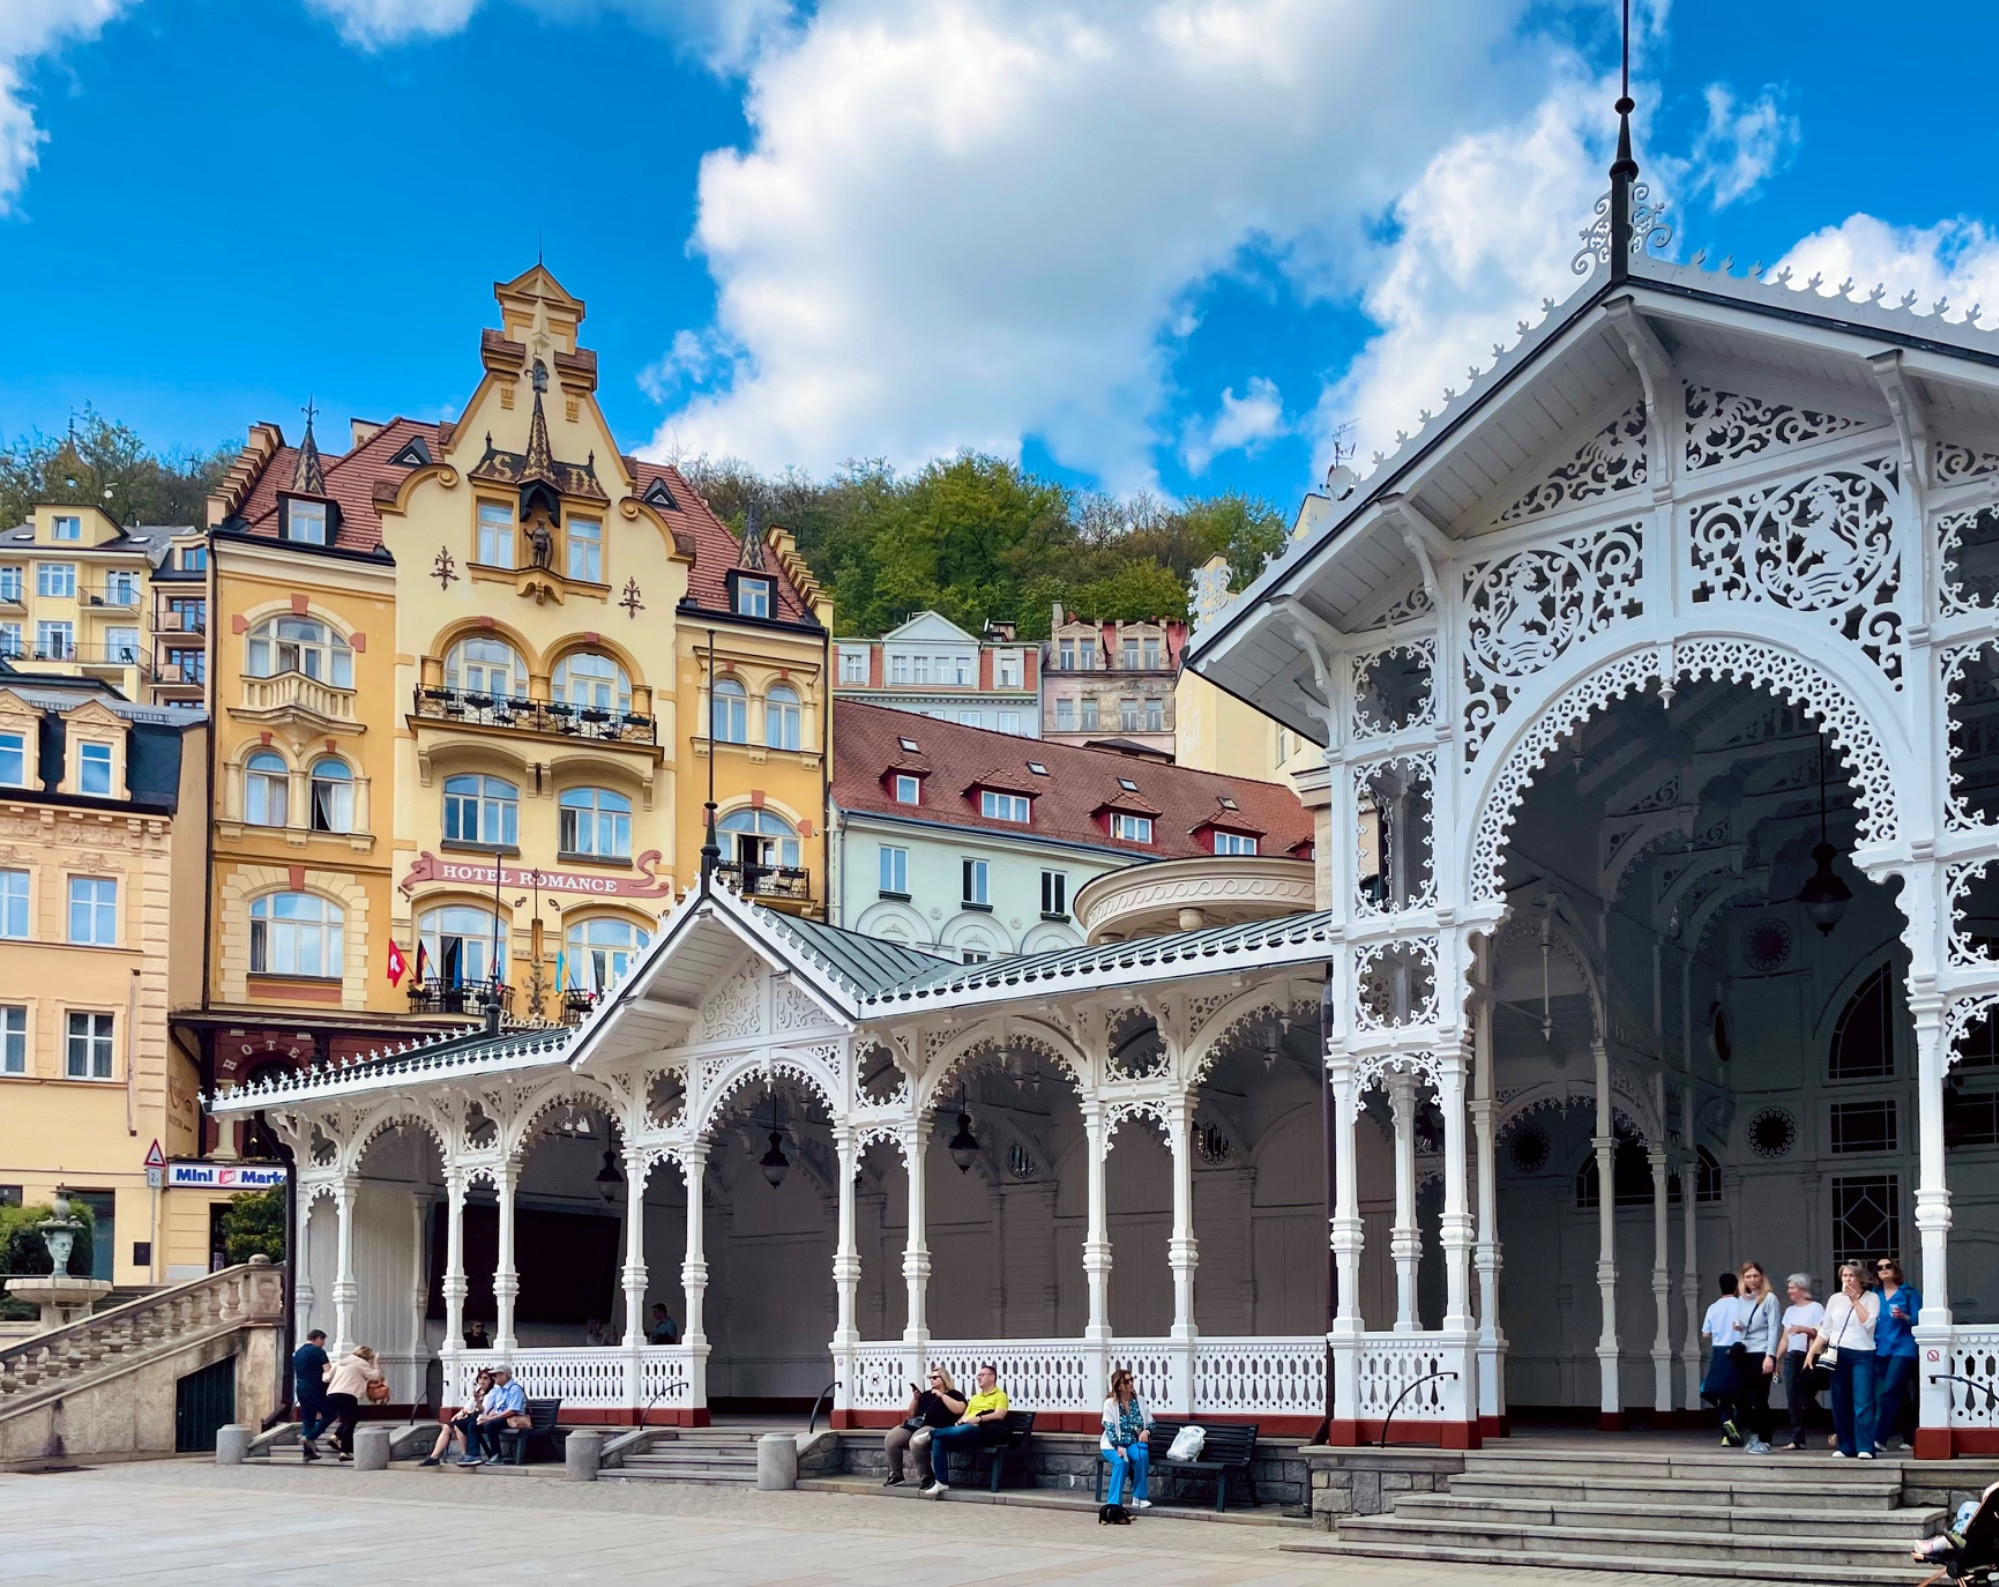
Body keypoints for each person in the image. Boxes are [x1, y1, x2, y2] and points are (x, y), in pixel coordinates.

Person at [1807, 1261, 1881, 1459]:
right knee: (1839, 1400)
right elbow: (1826, 1329)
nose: (1847, 1279)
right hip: (1838, 1353)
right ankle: (1845, 1446)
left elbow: (1869, 1324)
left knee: (1862, 1400)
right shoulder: (1834, 1299)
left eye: (1851, 1276)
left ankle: (1865, 1446)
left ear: (1860, 1279)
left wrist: (1856, 1301)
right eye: (1844, 1276)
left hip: (1862, 1353)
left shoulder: (1872, 1298)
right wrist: (1812, 1351)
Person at [922, 1363, 1010, 1497]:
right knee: (939, 1441)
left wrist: (979, 1419)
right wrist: (960, 1422)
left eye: (982, 1375)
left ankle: (931, 1433)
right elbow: (965, 1415)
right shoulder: (975, 1398)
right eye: (978, 1375)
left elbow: (1000, 1414)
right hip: (966, 1431)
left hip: (985, 1432)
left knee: (963, 1429)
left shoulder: (1000, 1395)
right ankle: (941, 1482)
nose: (978, 1377)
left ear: (992, 1377)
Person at [1725, 1261, 1781, 1455]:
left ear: (1761, 1277)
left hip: (1761, 1351)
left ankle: (1765, 1439)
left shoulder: (1769, 1299)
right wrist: (1738, 1327)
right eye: (1748, 1276)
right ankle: (1754, 1432)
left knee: (1758, 1396)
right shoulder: (1741, 1299)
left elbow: (1774, 1328)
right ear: (1742, 1279)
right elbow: (1743, 1324)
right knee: (1738, 1394)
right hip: (1743, 1351)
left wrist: (1770, 1355)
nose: (1752, 1280)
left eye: (1755, 1276)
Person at [883, 1367, 965, 1487]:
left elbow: (960, 1409)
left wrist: (941, 1395)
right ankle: (896, 1475)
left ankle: (926, 1476)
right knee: (891, 1438)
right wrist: (915, 1399)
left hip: (936, 1426)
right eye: (930, 1378)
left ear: (944, 1379)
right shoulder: (927, 1394)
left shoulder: (954, 1394)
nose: (931, 1380)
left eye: (935, 1377)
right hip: (916, 1424)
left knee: (916, 1440)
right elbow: (911, 1413)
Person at [1873, 1256, 1922, 1451]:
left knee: (1890, 1390)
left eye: (1888, 1266)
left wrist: (1905, 1316)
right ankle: (1910, 1436)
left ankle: (1880, 1438)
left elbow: (1919, 1320)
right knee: (1898, 1395)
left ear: (1895, 1269)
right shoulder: (1873, 1295)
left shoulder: (1908, 1292)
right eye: (1879, 1267)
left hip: (1903, 1347)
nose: (1884, 1269)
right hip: (1879, 1347)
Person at [1779, 1273, 1826, 1451]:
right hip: (1792, 1356)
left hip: (1809, 1356)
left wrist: (1802, 1329)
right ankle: (1797, 1438)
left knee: (1804, 1397)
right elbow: (1785, 1338)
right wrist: (1776, 1358)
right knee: (1792, 1397)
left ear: (1802, 1288)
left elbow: (1821, 1333)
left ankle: (1830, 1428)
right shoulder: (1790, 1311)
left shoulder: (1816, 1308)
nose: (1789, 1291)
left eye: (1792, 1287)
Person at [1100, 1368, 1154, 1511]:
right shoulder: (1110, 1404)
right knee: (1121, 1462)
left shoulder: (1140, 1401)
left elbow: (1151, 1423)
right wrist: (1117, 1446)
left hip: (1132, 1443)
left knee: (1142, 1455)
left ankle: (1139, 1497)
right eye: (1127, 1381)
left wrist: (1146, 1431)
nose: (1131, 1383)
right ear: (1118, 1385)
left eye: (1132, 1380)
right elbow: (1109, 1428)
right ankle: (1113, 1503)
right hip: (1113, 1445)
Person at [1700, 1271, 1743, 1443]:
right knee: (1740, 1394)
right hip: (1738, 1351)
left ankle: (1726, 1426)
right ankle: (1734, 1424)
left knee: (1720, 1394)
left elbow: (1705, 1334)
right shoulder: (1741, 1305)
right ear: (1736, 1287)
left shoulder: (1713, 1307)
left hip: (1718, 1351)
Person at [420, 1368, 493, 1468]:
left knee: (459, 1425)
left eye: (485, 1378)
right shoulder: (477, 1391)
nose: (482, 1381)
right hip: (471, 1417)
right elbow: (467, 1407)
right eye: (480, 1378)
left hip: (481, 1418)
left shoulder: (491, 1393)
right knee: (447, 1427)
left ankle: (466, 1454)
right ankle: (434, 1457)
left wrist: (476, 1404)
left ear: (491, 1381)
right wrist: (459, 1414)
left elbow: (483, 1410)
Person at [322, 1345, 383, 1462]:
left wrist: (324, 1371)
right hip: (348, 1394)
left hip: (332, 1394)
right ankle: (345, 1451)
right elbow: (375, 1376)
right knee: (350, 1422)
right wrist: (376, 1363)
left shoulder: (341, 1362)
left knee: (348, 1419)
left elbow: (327, 1378)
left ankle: (336, 1436)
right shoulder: (360, 1363)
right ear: (366, 1357)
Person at [467, 1365, 530, 1464]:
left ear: (504, 1375)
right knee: (473, 1425)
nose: (493, 1378)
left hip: (513, 1419)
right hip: (501, 1418)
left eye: (495, 1375)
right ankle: (473, 1454)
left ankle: (497, 1455)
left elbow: (512, 1410)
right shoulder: (499, 1390)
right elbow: (496, 1409)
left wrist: (490, 1419)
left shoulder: (515, 1389)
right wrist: (486, 1417)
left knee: (490, 1424)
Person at [291, 1329, 331, 1463]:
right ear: (317, 1338)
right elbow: (328, 1371)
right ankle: (309, 1436)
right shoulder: (318, 1351)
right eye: (323, 1340)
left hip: (300, 1388)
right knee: (330, 1414)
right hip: (315, 1388)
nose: (323, 1343)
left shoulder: (298, 1352)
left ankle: (308, 1453)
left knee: (308, 1419)